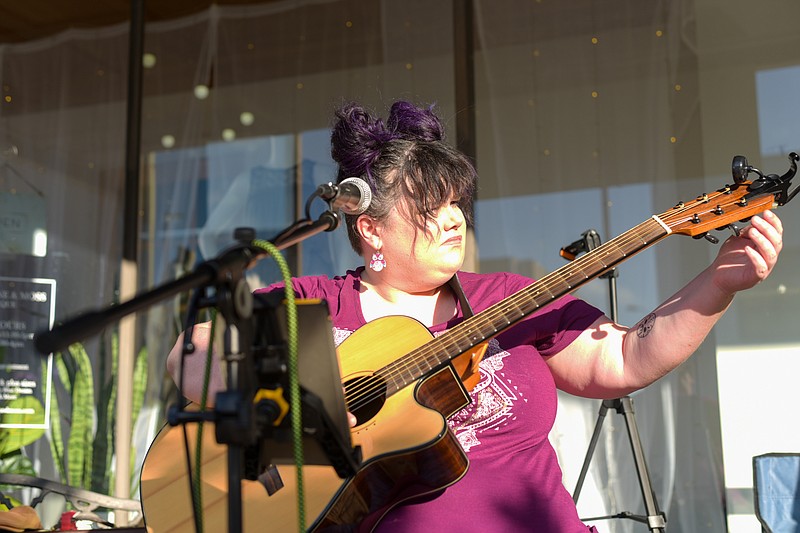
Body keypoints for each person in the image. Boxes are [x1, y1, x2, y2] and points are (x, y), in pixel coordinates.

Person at [166, 100, 783, 532]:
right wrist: (313, 398)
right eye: (433, 206)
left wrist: (719, 283)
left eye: (459, 202)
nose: (456, 218)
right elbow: (191, 356)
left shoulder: (504, 298)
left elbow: (625, 357)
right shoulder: (318, 303)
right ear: (371, 227)